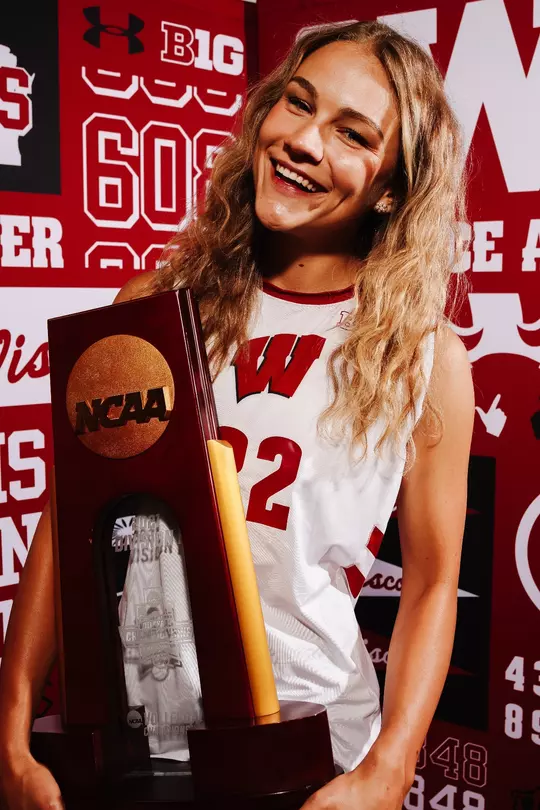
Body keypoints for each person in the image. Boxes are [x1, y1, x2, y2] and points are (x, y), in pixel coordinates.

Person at [0, 19, 475, 810]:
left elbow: (431, 582)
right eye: (298, 104)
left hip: (315, 750)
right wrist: (10, 736)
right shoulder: (150, 310)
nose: (304, 140)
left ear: (392, 185)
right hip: (139, 744)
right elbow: (65, 520)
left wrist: (388, 769)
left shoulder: (423, 355)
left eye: (351, 132)